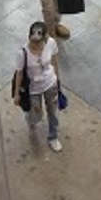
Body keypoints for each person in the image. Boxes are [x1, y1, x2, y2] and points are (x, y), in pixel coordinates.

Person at [16, 21, 65, 154]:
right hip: (33, 88)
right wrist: (17, 93)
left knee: (53, 112)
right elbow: (19, 73)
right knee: (36, 115)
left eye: (39, 43)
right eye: (33, 42)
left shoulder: (51, 43)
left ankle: (53, 137)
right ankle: (31, 118)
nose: (36, 46)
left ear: (45, 39)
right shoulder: (22, 53)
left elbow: (54, 61)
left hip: (50, 83)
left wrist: (57, 79)